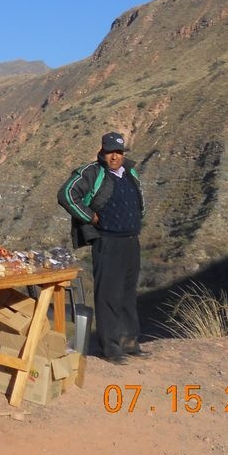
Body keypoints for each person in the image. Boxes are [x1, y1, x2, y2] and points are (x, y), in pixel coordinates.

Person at [57, 131, 148, 364]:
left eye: (118, 152)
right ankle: (110, 347)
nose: (115, 156)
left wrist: (139, 217)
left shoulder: (130, 172)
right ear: (102, 152)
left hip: (130, 240)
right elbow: (66, 194)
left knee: (128, 292)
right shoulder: (91, 172)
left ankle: (129, 341)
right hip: (107, 241)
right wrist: (89, 217)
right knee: (108, 294)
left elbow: (139, 198)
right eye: (110, 152)